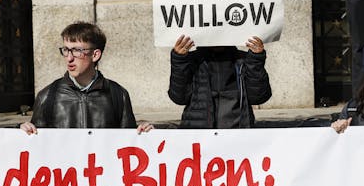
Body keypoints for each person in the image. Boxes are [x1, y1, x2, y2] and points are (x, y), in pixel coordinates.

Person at [20, 21, 151, 134]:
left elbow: (128, 143)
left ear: (95, 55)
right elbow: (37, 146)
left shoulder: (117, 94)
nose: (69, 58)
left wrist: (144, 134)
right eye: (66, 50)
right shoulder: (47, 96)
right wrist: (25, 130)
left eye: (77, 51)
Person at [168, 35, 272, 128]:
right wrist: (179, 61)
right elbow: (179, 98)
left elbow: (258, 98)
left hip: (237, 135)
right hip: (198, 136)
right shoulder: (191, 60)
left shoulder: (244, 60)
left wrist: (256, 60)